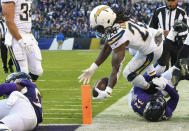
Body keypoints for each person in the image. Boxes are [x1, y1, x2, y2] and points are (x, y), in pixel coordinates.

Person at [78, 5, 164, 100]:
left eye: (99, 28)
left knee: (128, 73)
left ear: (107, 22)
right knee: (132, 49)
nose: (99, 31)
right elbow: (107, 48)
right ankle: (152, 74)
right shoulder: (117, 21)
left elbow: (117, 67)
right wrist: (92, 69)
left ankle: (151, 89)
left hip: (153, 50)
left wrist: (108, 90)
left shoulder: (119, 34)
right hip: (152, 37)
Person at [2, 0, 43, 81]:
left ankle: (23, 88)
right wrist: (20, 40)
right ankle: (16, 90)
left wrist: (30, 35)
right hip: (15, 36)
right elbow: (9, 21)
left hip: (28, 35)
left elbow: (26, 20)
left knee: (37, 71)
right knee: (23, 72)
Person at [149, 0, 188, 74]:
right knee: (162, 66)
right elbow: (151, 28)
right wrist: (161, 32)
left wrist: (174, 33)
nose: (171, 3)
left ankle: (173, 85)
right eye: (169, 1)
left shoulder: (182, 12)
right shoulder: (158, 11)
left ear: (176, 1)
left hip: (177, 44)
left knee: (176, 67)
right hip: (162, 43)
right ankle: (161, 84)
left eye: (173, 1)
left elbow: (186, 30)